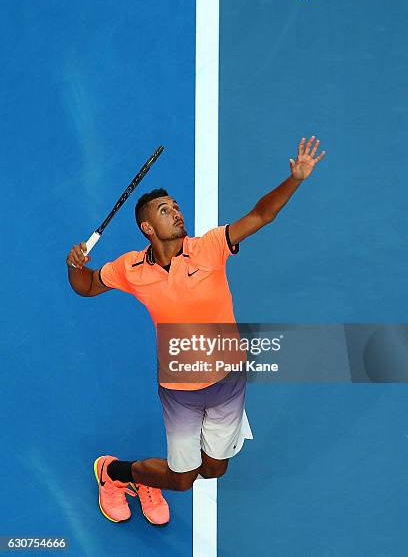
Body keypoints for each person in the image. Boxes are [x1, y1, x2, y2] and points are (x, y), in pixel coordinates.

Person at [66, 136, 325, 526]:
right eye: (165, 210)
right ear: (147, 227)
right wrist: (74, 264)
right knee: (183, 479)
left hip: (228, 380)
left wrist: (296, 179)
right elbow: (85, 285)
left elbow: (261, 215)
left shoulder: (210, 247)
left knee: (215, 470)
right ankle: (117, 474)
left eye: (177, 207)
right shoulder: (130, 269)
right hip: (181, 391)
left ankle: (147, 475)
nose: (177, 213)